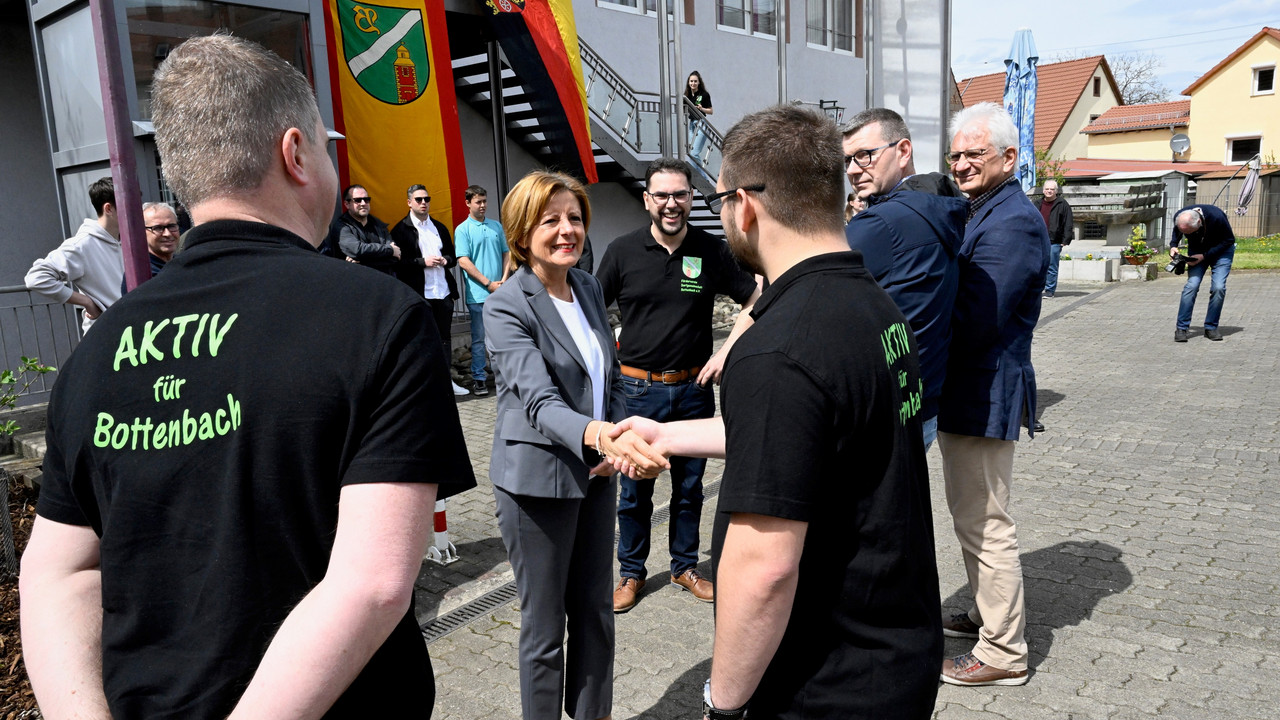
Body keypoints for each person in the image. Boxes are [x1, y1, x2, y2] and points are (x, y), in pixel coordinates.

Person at [19, 34, 475, 719]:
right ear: (294, 153)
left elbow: (59, 573)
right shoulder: (378, 317)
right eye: (325, 148)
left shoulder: (97, 350)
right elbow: (375, 582)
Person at [610, 104, 942, 720]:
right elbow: (804, 434)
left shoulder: (779, 348)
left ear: (746, 205)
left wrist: (724, 702)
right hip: (897, 653)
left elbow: (763, 569)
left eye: (716, 202)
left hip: (824, 684)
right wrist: (669, 432)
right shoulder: (875, 307)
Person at [483, 170, 668, 720]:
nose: (568, 230)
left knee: (594, 613)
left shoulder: (586, 286)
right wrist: (599, 437)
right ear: (521, 231)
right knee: (544, 632)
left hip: (596, 474)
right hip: (536, 482)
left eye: (575, 218)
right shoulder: (506, 306)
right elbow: (538, 402)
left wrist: (615, 440)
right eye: (551, 220)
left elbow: (603, 375)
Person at [595, 157, 761, 613]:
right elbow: (590, 310)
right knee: (633, 490)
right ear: (648, 200)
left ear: (691, 198)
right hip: (637, 393)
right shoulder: (622, 252)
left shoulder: (711, 250)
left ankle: (684, 566)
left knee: (689, 488)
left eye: (680, 195)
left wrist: (726, 351)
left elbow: (757, 297)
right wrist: (606, 362)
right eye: (662, 195)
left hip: (693, 392)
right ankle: (631, 573)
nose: (672, 204)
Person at [937, 101, 1048, 687]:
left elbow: (980, 317)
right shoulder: (985, 207)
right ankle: (986, 614)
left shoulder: (1013, 221)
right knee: (972, 516)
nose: (961, 163)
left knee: (986, 522)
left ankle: (1004, 653)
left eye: (974, 153)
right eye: (955, 153)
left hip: (984, 391)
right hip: (969, 390)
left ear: (1009, 156)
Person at [842, 107, 965, 450]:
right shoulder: (936, 205)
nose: (853, 170)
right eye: (848, 160)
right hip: (920, 402)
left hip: (882, 411)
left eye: (865, 155)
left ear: (904, 151)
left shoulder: (882, 224)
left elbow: (810, 286)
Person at [391, 184, 470, 396]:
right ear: (409, 202)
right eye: (418, 199)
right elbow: (397, 264)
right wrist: (421, 261)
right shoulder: (401, 230)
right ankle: (424, 385)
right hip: (419, 295)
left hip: (443, 293)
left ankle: (446, 382)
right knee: (421, 340)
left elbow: (453, 257)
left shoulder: (439, 228)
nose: (423, 203)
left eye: (426, 199)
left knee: (444, 338)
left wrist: (446, 260)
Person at [25, 176, 123, 333]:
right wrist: (87, 303)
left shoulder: (128, 241)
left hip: (133, 331)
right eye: (129, 205)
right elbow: (36, 278)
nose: (136, 211)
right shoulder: (82, 245)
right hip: (104, 335)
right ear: (108, 209)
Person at [455, 184, 510, 396]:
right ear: (468, 203)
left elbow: (507, 254)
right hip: (478, 295)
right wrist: (489, 284)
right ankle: (479, 378)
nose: (483, 205)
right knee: (479, 339)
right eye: (478, 202)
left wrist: (504, 280)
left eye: (485, 201)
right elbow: (464, 261)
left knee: (502, 337)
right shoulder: (463, 230)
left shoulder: (496, 226)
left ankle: (502, 376)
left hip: (500, 292)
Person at [1169, 204, 1236, 342]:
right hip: (1196, 251)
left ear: (1199, 222)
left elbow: (1229, 240)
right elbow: (1177, 231)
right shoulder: (1181, 216)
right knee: (1191, 286)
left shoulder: (1217, 216)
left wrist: (1205, 256)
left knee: (1218, 287)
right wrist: (1173, 245)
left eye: (1189, 232)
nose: (1187, 235)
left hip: (1222, 252)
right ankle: (1181, 328)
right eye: (1185, 232)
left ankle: (1211, 327)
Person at [120, 201, 181, 295]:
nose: (167, 234)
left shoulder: (182, 262)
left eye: (171, 226)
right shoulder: (141, 275)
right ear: (141, 232)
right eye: (158, 228)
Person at [336, 184, 400, 272]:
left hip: (383, 281)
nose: (363, 203)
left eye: (366, 200)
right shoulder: (342, 226)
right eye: (358, 200)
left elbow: (394, 258)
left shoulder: (380, 225)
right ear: (347, 204)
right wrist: (389, 250)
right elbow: (357, 250)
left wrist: (361, 262)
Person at [1035, 179, 1074, 298]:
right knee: (1038, 266)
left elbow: (1068, 222)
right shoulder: (1037, 203)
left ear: (1056, 191)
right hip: (1038, 240)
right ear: (1043, 190)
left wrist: (1065, 240)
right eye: (1047, 189)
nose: (1049, 191)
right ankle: (1037, 290)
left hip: (1055, 241)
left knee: (1052, 267)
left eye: (1052, 189)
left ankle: (1050, 290)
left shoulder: (1062, 204)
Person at [685, 71, 714, 165]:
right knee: (689, 152)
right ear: (688, 82)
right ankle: (698, 175)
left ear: (699, 82)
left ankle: (704, 178)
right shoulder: (687, 96)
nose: (693, 83)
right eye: (691, 81)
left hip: (701, 123)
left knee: (694, 153)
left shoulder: (704, 94)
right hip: (692, 124)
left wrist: (702, 109)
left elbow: (711, 111)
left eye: (695, 81)